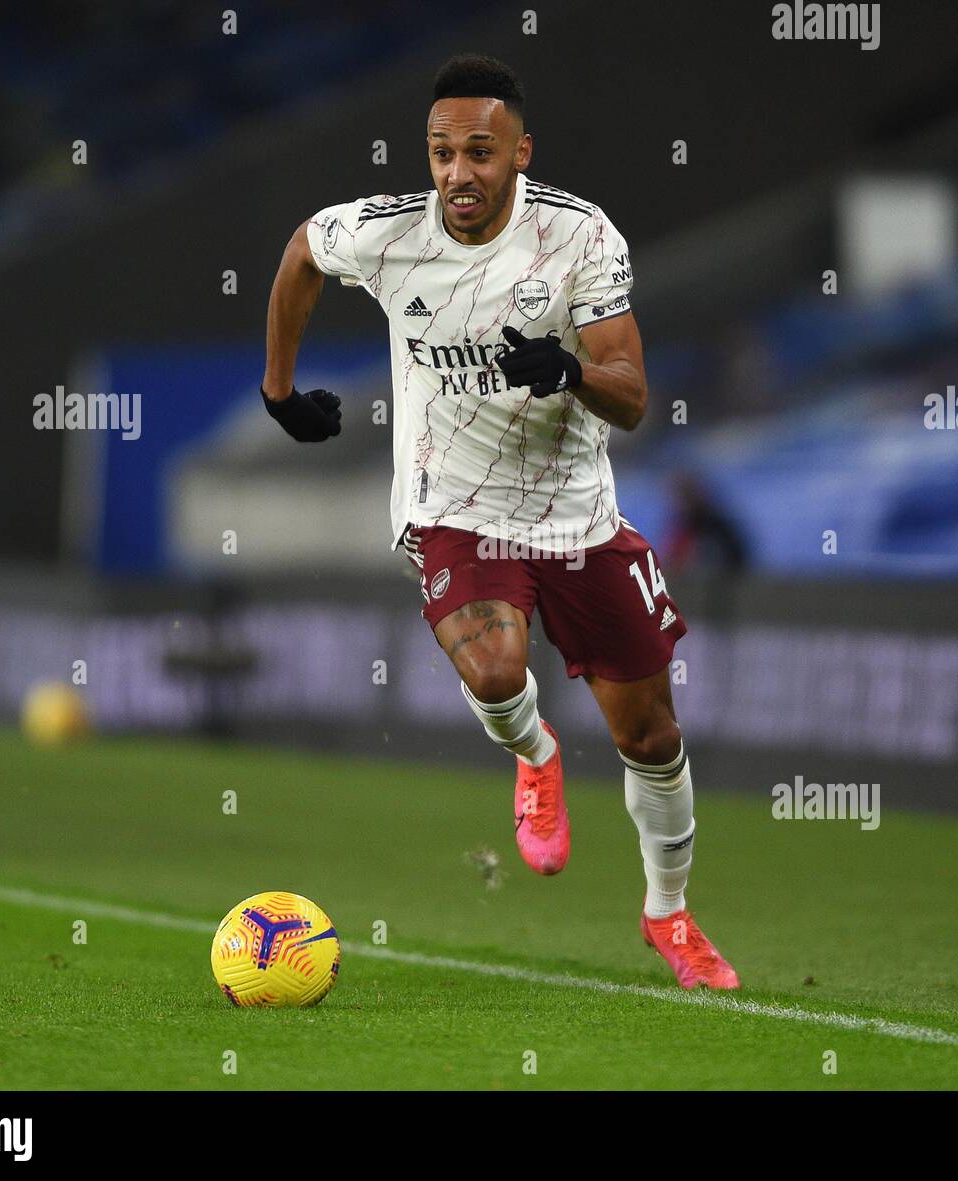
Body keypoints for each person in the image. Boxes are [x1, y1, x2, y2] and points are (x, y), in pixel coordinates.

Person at [260, 53, 737, 989]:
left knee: (652, 737)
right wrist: (278, 392)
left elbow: (634, 396)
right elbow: (300, 254)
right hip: (452, 506)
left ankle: (669, 915)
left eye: (479, 152)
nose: (457, 174)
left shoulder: (580, 239)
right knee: (495, 663)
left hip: (576, 515)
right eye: (441, 154)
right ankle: (535, 751)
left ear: (521, 152)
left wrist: (566, 373)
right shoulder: (390, 236)